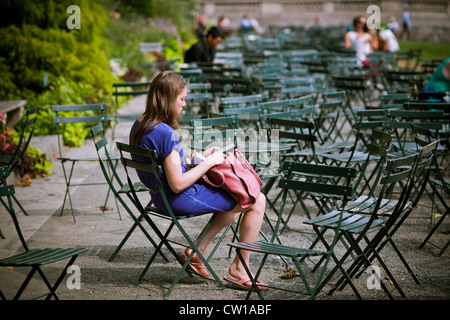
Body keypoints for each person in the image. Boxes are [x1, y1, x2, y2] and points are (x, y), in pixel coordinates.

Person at [129, 71, 268, 291]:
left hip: (159, 196)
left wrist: (198, 157)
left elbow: (168, 165)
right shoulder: (166, 133)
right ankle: (239, 269)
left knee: (235, 197)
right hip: (178, 197)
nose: (184, 104)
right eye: (181, 99)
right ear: (167, 99)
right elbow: (177, 183)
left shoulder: (140, 124)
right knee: (255, 199)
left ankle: (197, 250)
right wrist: (209, 162)